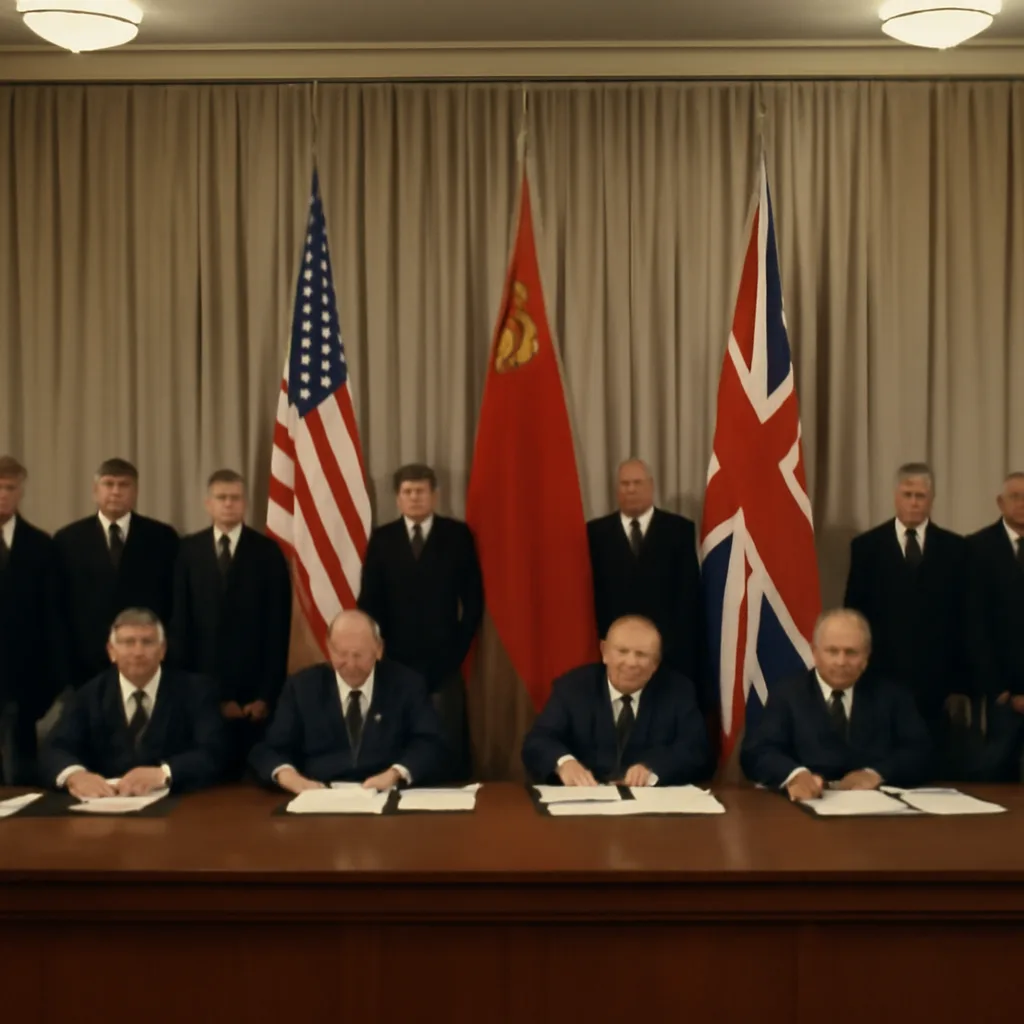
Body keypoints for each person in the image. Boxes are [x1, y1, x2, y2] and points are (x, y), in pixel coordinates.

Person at [358, 463, 482, 778]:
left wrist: (459, 649)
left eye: (421, 491)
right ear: (398, 499)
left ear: (434, 496)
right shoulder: (382, 539)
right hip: (394, 658)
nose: (414, 498)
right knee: (398, 733)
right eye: (408, 492)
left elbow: (473, 601)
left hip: (445, 658)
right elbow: (369, 601)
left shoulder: (457, 535)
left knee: (448, 735)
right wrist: (378, 650)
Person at [170, 469, 291, 778]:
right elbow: (180, 625)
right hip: (202, 690)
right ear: (208, 503)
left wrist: (266, 694)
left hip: (254, 695)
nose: (228, 504)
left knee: (251, 782)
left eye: (235, 498)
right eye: (222, 498)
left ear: (245, 503)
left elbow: (277, 629)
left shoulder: (267, 551)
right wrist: (197, 693)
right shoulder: (188, 551)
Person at [740, 608, 932, 800]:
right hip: (804, 810)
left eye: (851, 653)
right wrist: (795, 775)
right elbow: (757, 752)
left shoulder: (891, 696)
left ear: (866, 657)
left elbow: (920, 752)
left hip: (873, 810)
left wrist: (875, 773)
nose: (841, 661)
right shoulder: (787, 694)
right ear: (814, 652)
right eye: (832, 651)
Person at [249, 609, 448, 793]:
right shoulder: (302, 687)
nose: (351, 665)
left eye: (359, 655)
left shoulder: (407, 685)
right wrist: (290, 777)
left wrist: (395, 774)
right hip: (319, 800)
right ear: (328, 648)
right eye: (342, 654)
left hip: (387, 797)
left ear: (379, 649)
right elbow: (269, 749)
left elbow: (431, 743)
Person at [844, 463, 968, 757]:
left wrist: (961, 683)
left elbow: (965, 619)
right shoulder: (866, 547)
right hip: (881, 675)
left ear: (932, 498)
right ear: (896, 496)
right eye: (908, 494)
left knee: (935, 762)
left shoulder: (956, 548)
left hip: (937, 681)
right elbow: (855, 615)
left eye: (921, 496)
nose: (914, 502)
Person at [40, 608, 225, 797]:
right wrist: (75, 775)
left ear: (162, 650)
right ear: (111, 652)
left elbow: (214, 752)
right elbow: (54, 749)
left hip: (180, 806)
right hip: (105, 810)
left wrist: (165, 773)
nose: (138, 652)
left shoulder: (196, 691)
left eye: (147, 642)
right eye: (128, 642)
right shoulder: (89, 695)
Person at [521, 615, 708, 786]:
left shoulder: (678, 691)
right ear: (604, 652)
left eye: (641, 654)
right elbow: (539, 740)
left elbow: (695, 749)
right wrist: (564, 763)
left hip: (649, 810)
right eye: (622, 651)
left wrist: (653, 769)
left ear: (656, 664)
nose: (631, 662)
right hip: (583, 802)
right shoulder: (573, 688)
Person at [53, 458, 178, 689]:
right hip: (84, 662)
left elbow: (172, 601)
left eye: (124, 485)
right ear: (95, 491)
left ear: (136, 491)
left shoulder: (162, 537)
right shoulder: (68, 539)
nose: (116, 491)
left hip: (146, 657)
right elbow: (58, 606)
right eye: (108, 484)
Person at [587, 459, 704, 703]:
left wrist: (667, 650)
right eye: (625, 484)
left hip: (668, 656)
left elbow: (688, 597)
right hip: (614, 656)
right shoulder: (595, 534)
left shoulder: (679, 530)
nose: (630, 489)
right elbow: (591, 595)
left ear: (650, 486)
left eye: (637, 483)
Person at [0, 456, 64, 784]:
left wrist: (49, 682)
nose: (2, 494)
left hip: (23, 679)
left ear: (20, 492)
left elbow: (51, 617)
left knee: (20, 777)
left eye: (9, 487)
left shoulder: (40, 545)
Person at [965, 472, 1024, 779]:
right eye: (1015, 496)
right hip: (999, 691)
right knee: (997, 776)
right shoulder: (976, 548)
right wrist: (999, 689)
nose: (1022, 504)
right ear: (1001, 503)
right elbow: (973, 625)